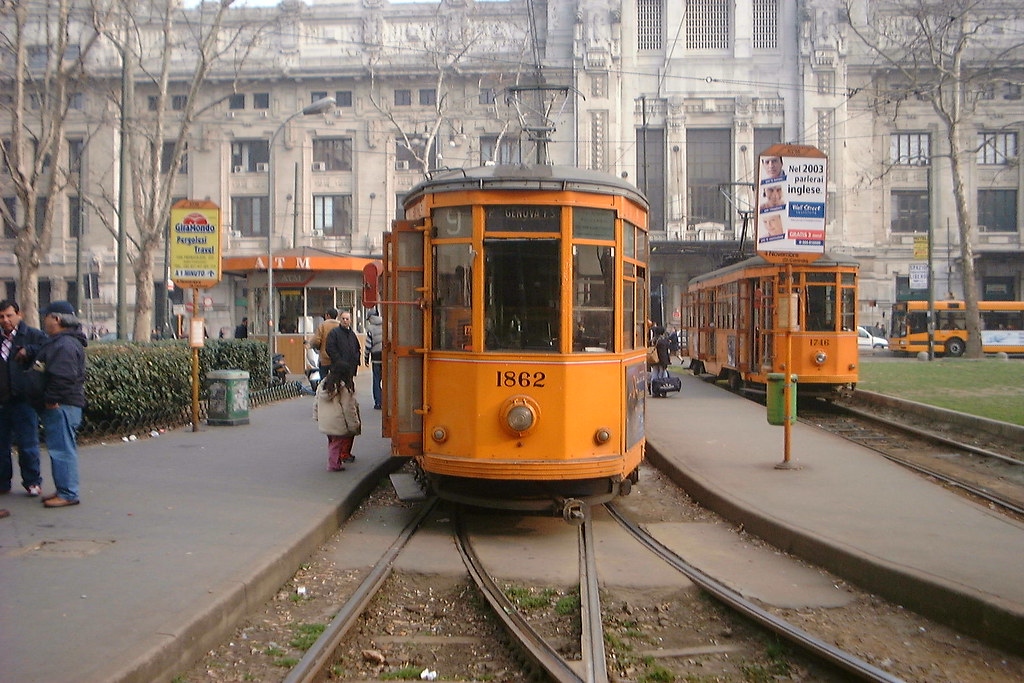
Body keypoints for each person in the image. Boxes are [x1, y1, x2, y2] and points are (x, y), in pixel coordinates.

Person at [28, 301, 87, 508]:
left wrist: (51, 399)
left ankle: (68, 492)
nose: (44, 320)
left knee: (62, 449)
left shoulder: (64, 345)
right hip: (63, 403)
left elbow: (63, 377)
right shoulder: (62, 342)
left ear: (57, 319)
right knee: (60, 448)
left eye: (47, 316)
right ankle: (64, 488)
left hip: (61, 404)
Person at [0, 300, 48, 497]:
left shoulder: (33, 336)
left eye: (9, 315)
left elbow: (48, 350)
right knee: (1, 446)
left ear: (19, 315)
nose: (5, 320)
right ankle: (3, 482)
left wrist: (29, 350)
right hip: (1, 401)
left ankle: (32, 482)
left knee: (27, 444)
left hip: (23, 400)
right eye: (1, 316)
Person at [312, 362, 361, 471]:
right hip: (337, 420)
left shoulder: (323, 385)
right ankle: (333, 464)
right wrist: (354, 424)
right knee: (337, 443)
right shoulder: (343, 388)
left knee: (332, 441)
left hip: (325, 420)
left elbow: (316, 402)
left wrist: (316, 416)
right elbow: (348, 408)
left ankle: (336, 461)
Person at [325, 311, 360, 383]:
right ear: (340, 320)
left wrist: (355, 361)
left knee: (349, 390)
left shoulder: (352, 334)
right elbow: (330, 348)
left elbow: (357, 348)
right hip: (338, 369)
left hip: (350, 369)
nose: (345, 321)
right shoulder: (334, 333)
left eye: (347, 319)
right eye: (343, 319)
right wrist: (339, 361)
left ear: (350, 320)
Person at [308, 308, 341, 381]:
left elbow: (316, 340)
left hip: (324, 358)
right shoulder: (340, 325)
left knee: (324, 379)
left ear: (328, 315)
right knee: (336, 378)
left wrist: (316, 346)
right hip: (337, 359)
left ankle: (325, 391)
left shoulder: (323, 325)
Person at [364, 308, 383, 410]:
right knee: (386, 380)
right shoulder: (387, 325)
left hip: (376, 357)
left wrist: (366, 358)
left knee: (376, 380)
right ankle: (387, 400)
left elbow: (368, 345)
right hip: (386, 356)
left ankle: (378, 402)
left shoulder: (370, 329)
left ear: (371, 318)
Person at [649, 325, 671, 391]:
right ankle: (662, 388)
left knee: (654, 374)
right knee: (663, 374)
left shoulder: (653, 340)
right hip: (662, 361)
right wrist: (666, 363)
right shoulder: (663, 341)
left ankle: (653, 389)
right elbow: (664, 354)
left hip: (654, 359)